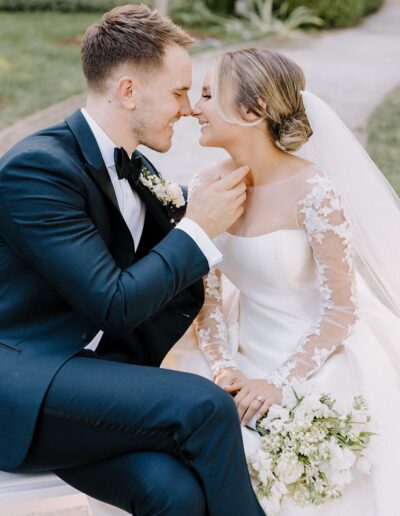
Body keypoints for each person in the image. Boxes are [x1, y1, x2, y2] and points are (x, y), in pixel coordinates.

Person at [0, 6, 266, 516]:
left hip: (90, 384)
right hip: (24, 388)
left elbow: (167, 245)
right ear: (128, 92)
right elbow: (115, 302)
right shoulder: (36, 171)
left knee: (172, 493)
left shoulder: (137, 167)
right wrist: (198, 227)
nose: (188, 108)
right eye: (178, 92)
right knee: (205, 406)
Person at [165, 48, 400, 515]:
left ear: (253, 111)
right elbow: (207, 300)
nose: (195, 108)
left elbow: (341, 309)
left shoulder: (314, 192)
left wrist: (278, 384)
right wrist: (222, 367)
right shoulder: (207, 182)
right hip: (238, 343)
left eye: (209, 95)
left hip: (316, 353)